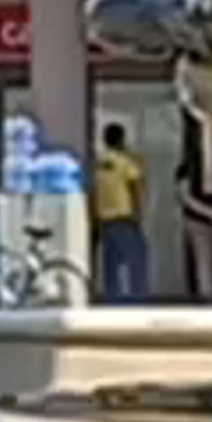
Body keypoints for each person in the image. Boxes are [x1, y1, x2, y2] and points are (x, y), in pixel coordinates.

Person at [90, 114, 153, 303]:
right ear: (121, 139)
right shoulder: (126, 162)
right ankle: (137, 299)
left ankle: (113, 299)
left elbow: (92, 192)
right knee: (136, 260)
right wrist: (139, 215)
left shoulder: (97, 163)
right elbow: (135, 187)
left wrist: (94, 218)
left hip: (104, 220)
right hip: (125, 218)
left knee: (112, 263)